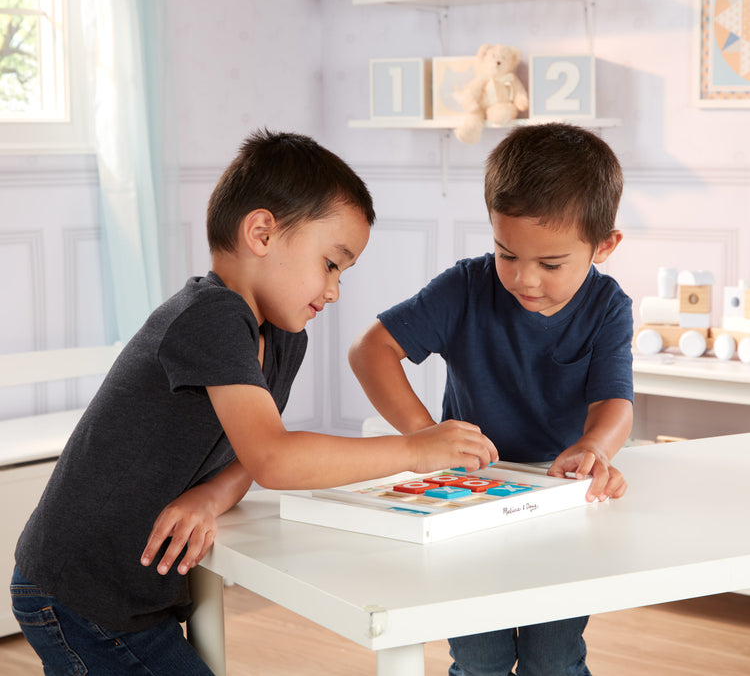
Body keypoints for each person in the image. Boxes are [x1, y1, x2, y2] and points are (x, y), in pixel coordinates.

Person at [10, 130, 497, 676]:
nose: (335, 291)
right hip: (83, 592)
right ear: (262, 233)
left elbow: (247, 459)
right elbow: (276, 458)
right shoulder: (210, 316)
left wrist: (209, 497)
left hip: (133, 592)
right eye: (331, 264)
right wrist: (413, 449)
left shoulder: (285, 337)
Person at [348, 122, 634, 676]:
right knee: (478, 659)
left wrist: (595, 448)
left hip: (561, 502)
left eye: (551, 264)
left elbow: (613, 403)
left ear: (604, 246)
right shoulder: (467, 287)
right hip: (469, 501)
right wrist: (422, 436)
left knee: (555, 660)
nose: (525, 279)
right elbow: (371, 351)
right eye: (507, 254)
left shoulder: (607, 306)